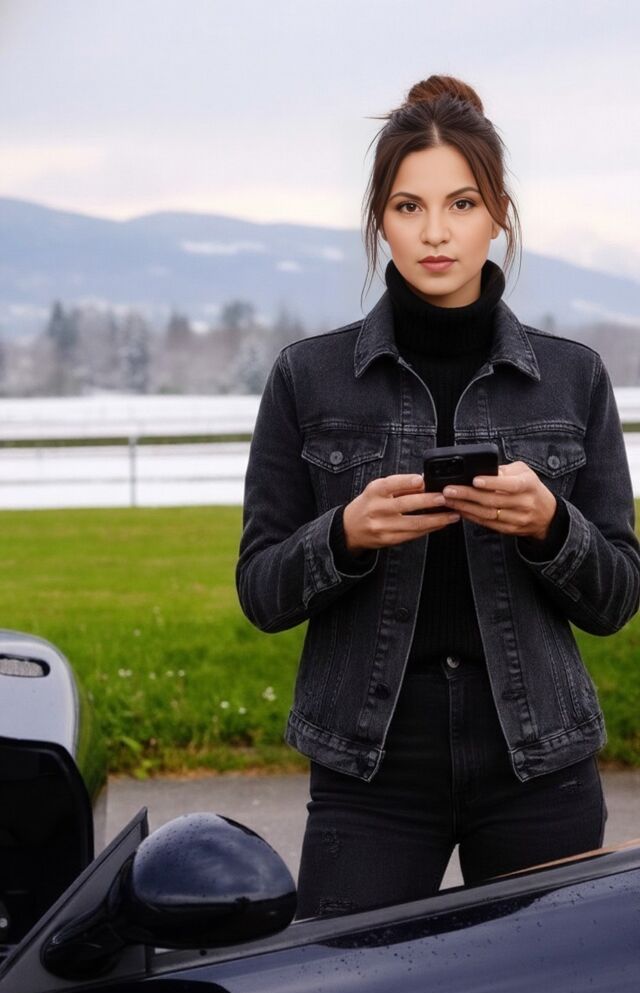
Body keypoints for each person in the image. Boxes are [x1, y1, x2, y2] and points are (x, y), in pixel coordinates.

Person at [236, 74, 640, 920]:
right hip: (369, 772)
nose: (435, 233)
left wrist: (550, 527)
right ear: (378, 220)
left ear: (499, 214)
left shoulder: (574, 376)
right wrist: (344, 535)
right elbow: (261, 590)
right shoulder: (307, 375)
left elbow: (618, 597)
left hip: (541, 764)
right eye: (408, 207)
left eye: (461, 204)